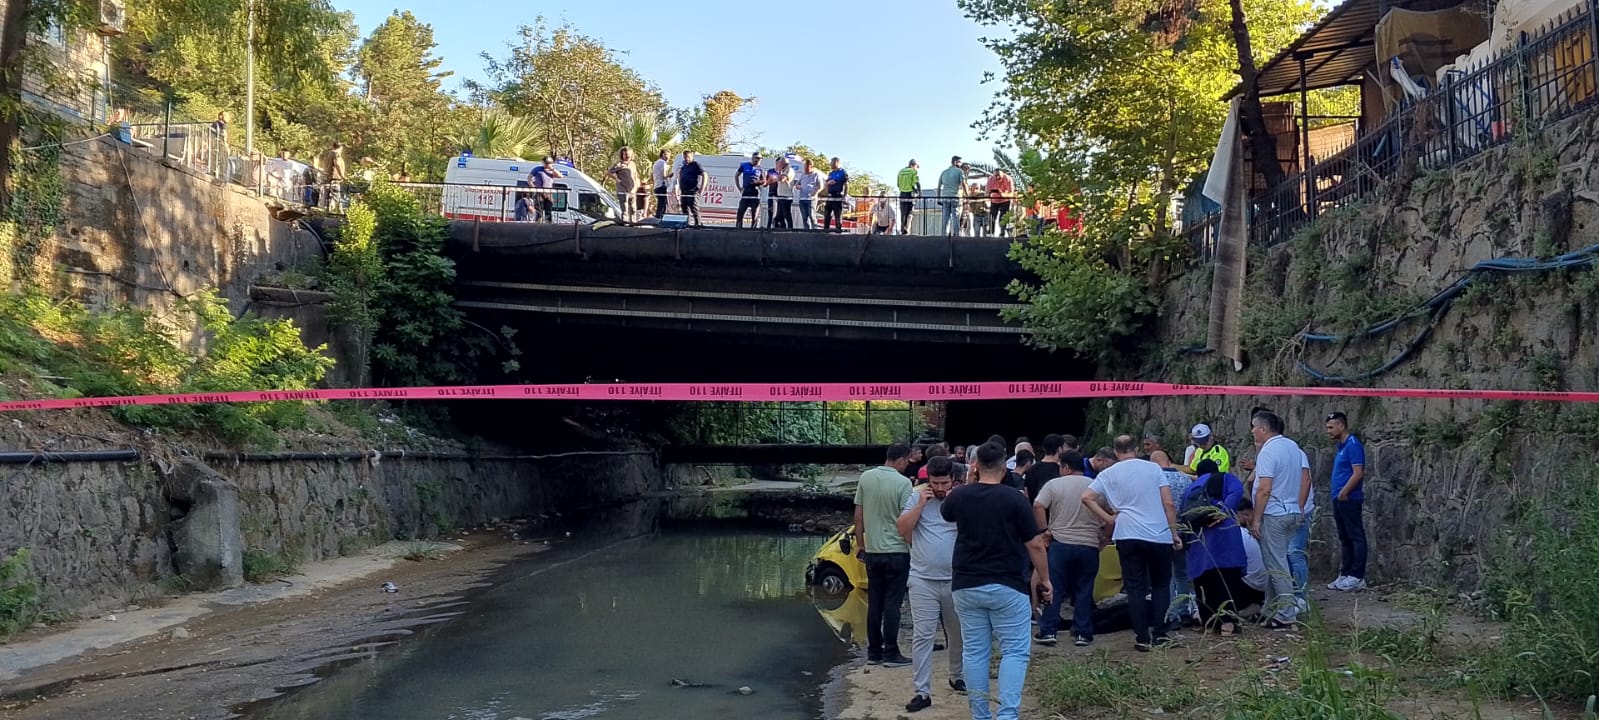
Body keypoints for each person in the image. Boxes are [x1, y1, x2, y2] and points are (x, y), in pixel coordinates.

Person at [940, 442, 1051, 720]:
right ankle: (1007, 715)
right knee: (1014, 651)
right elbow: (1035, 544)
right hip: (1007, 584)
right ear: (1004, 468)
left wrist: (968, 481)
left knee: (975, 652)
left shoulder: (959, 496)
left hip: (966, 583)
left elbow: (947, 512)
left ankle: (980, 715)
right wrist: (1045, 580)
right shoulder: (1014, 498)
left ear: (975, 466)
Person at [1081, 435, 1183, 651]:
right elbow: (1168, 502)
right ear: (1136, 449)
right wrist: (1174, 533)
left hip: (1127, 533)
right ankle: (1161, 633)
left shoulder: (1108, 473)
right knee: (1161, 585)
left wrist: (1108, 518)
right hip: (1158, 533)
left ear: (1116, 452)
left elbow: (1087, 497)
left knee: (1135, 587)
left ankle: (1142, 637)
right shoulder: (1153, 469)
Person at [897, 456, 966, 713]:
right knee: (923, 635)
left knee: (956, 630)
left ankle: (956, 674)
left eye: (944, 482)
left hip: (954, 578)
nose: (939, 487)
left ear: (953, 480)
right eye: (935, 482)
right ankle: (921, 691)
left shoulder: (959, 499)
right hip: (922, 579)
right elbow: (901, 528)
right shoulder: (917, 497)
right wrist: (920, 506)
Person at [853, 443, 915, 667]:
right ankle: (891, 653)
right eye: (907, 461)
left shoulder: (865, 478)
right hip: (897, 551)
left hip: (873, 551)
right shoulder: (904, 483)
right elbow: (905, 521)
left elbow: (858, 516)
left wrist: (861, 544)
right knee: (892, 604)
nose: (907, 465)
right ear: (901, 460)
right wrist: (913, 547)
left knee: (875, 603)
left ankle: (873, 652)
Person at [1032, 451, 1101, 646]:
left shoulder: (1054, 485)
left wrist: (1044, 530)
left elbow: (1038, 505)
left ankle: (1048, 631)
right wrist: (1104, 537)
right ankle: (1082, 632)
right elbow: (1109, 511)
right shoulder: (1095, 485)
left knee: (1055, 587)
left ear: (1066, 467)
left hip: (1060, 543)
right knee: (1085, 589)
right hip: (1089, 544)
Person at [1248, 410, 1309, 629]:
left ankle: (1286, 612)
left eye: (1254, 426)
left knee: (1276, 565)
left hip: (1274, 513)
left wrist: (1256, 520)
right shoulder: (1293, 447)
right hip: (1292, 510)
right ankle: (1270, 608)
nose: (1252, 431)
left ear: (1263, 429)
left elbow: (1264, 488)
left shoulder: (1268, 451)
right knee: (1276, 559)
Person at [1181, 459, 1249, 634]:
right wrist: (1223, 510)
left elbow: (1184, 514)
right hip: (1224, 539)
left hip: (1199, 542)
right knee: (1228, 580)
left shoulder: (1191, 488)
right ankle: (1229, 623)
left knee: (1204, 582)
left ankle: (1210, 623)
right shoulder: (1226, 478)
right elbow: (1237, 492)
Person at [1326, 412, 1368, 591]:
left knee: (1355, 536)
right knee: (1344, 537)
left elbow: (1358, 472)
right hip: (1339, 498)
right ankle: (1345, 573)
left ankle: (1357, 576)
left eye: (1331, 427)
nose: (1328, 431)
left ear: (1341, 426)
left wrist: (1345, 492)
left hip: (1349, 498)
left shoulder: (1353, 445)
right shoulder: (1341, 446)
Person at [1023, 433, 1064, 502]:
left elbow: (1027, 493)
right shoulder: (1061, 470)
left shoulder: (1031, 469)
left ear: (1044, 448)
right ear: (1059, 449)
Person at [606, 147, 640, 222]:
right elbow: (609, 172)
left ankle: (633, 223)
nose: (627, 156)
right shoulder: (619, 164)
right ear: (622, 155)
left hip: (632, 189)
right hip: (622, 189)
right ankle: (625, 222)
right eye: (625, 154)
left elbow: (636, 176)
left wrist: (636, 185)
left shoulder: (633, 164)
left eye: (628, 154)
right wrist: (617, 179)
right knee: (625, 208)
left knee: (633, 208)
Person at [677, 150, 707, 227]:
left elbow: (704, 174)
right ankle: (685, 224)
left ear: (692, 157)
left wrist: (702, 188)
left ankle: (698, 224)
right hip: (684, 191)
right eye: (685, 157)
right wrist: (679, 188)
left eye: (688, 157)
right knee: (684, 209)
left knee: (694, 209)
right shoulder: (683, 167)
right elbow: (680, 177)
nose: (686, 159)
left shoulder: (695, 164)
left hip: (692, 191)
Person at [938, 156, 965, 237]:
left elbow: (939, 186)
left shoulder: (944, 172)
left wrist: (938, 198)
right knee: (955, 217)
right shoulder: (959, 171)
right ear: (956, 162)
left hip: (945, 197)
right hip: (955, 197)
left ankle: (944, 235)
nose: (961, 164)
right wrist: (967, 195)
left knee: (945, 218)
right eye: (960, 162)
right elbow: (963, 183)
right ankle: (956, 235)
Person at [736, 152, 764, 229]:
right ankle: (738, 230)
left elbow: (763, 181)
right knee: (740, 212)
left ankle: (753, 231)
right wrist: (739, 187)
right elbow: (736, 175)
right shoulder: (744, 165)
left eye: (760, 158)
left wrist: (757, 182)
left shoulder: (760, 169)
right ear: (752, 158)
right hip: (746, 192)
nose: (758, 160)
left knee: (754, 215)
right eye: (757, 158)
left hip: (755, 192)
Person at [529, 156, 560, 222]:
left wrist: (552, 169)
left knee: (548, 211)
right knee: (539, 210)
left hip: (548, 193)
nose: (547, 164)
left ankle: (548, 225)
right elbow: (529, 178)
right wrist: (533, 187)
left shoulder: (552, 171)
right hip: (539, 192)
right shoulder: (537, 169)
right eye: (546, 163)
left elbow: (560, 176)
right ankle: (537, 224)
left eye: (549, 163)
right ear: (543, 163)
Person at [795, 159, 823, 230]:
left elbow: (821, 186)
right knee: (804, 217)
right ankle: (807, 231)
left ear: (811, 166)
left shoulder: (816, 175)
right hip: (802, 198)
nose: (806, 170)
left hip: (811, 199)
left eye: (807, 168)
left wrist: (815, 192)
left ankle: (814, 231)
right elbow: (797, 184)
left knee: (812, 216)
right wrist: (798, 186)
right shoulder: (803, 175)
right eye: (805, 167)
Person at [823, 157, 849, 232]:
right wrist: (828, 184)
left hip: (837, 196)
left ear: (836, 162)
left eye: (832, 162)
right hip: (830, 196)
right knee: (827, 214)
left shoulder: (842, 172)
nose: (831, 164)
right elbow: (827, 182)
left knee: (837, 215)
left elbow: (846, 184)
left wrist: (844, 195)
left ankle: (838, 230)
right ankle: (825, 231)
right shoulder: (831, 173)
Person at [319, 142, 346, 211]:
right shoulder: (336, 154)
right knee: (336, 196)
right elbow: (337, 164)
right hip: (333, 178)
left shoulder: (329, 153)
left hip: (326, 176)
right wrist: (342, 175)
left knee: (326, 196)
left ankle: (325, 210)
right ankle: (338, 212)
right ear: (341, 148)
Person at [987, 169, 1015, 237]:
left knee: (1003, 217)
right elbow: (987, 191)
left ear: (1003, 174)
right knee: (992, 216)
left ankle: (1002, 233)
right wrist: (990, 194)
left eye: (999, 175)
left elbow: (1012, 193)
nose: (997, 177)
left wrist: (1003, 194)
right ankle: (991, 232)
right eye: (995, 175)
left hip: (1005, 200)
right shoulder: (990, 179)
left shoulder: (1008, 179)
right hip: (994, 200)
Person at [897, 159, 921, 233]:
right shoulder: (913, 171)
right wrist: (919, 192)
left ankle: (902, 229)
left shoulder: (900, 171)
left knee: (903, 213)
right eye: (916, 167)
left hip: (902, 194)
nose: (916, 168)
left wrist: (911, 188)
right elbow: (917, 182)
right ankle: (907, 229)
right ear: (913, 165)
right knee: (909, 212)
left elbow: (898, 184)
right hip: (910, 194)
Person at [772, 157, 795, 229]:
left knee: (786, 214)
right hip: (780, 195)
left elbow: (782, 179)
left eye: (779, 163)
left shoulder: (789, 170)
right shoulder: (781, 171)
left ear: (783, 163)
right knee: (779, 215)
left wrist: (777, 176)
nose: (778, 165)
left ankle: (790, 229)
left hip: (786, 196)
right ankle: (782, 229)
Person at [651, 149, 673, 219]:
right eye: (666, 155)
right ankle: (659, 218)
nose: (668, 157)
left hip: (656, 185)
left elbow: (652, 175)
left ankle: (659, 217)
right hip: (662, 185)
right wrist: (671, 175)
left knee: (661, 203)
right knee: (662, 204)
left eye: (669, 155)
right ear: (662, 154)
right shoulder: (663, 163)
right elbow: (664, 175)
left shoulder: (656, 163)